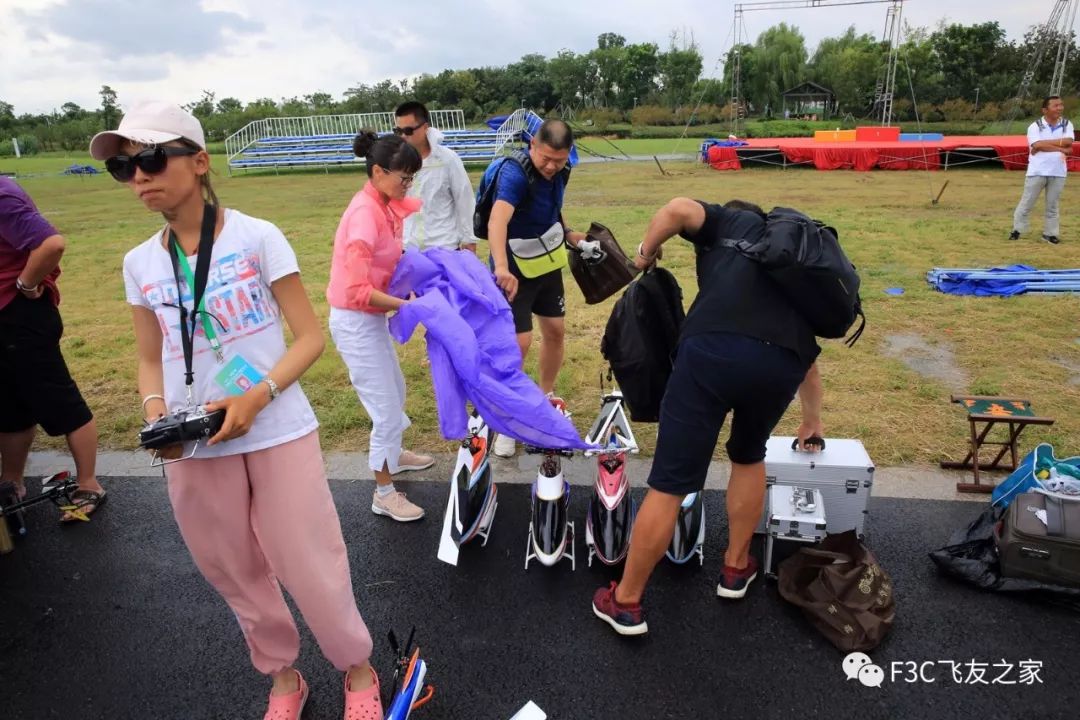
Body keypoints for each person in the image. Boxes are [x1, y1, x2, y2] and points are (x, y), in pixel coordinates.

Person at [94, 101, 384, 718]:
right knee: (232, 568)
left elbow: (308, 336)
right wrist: (156, 419)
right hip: (193, 444)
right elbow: (151, 360)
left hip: (276, 427)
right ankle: (283, 677)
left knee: (310, 561)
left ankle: (357, 669)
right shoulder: (139, 263)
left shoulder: (257, 236)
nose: (139, 175)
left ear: (199, 163)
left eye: (150, 158)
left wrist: (259, 396)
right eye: (125, 167)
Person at [591, 197, 825, 637]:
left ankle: (625, 601)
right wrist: (812, 420)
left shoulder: (726, 220)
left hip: (712, 353)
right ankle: (736, 569)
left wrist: (644, 253)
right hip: (782, 363)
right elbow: (809, 363)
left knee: (671, 483)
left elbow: (677, 209)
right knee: (748, 454)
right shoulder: (792, 255)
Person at [328, 130, 433, 523]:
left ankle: (394, 455)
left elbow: (394, 253)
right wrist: (408, 305)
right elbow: (357, 289)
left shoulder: (386, 203)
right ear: (377, 171)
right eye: (404, 178)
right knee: (385, 409)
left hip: (370, 319)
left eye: (411, 179)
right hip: (355, 321)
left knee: (398, 389)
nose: (408, 186)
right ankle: (384, 492)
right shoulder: (363, 215)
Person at [485, 119, 600, 457]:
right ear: (533, 144)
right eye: (546, 158)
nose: (551, 166)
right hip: (514, 268)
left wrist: (570, 234)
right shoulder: (514, 173)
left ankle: (544, 396)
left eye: (560, 160)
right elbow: (497, 220)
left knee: (555, 330)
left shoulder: (562, 171)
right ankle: (508, 417)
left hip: (546, 261)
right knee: (518, 343)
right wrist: (502, 268)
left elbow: (553, 206)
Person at [0, 177, 103, 521]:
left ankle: (89, 484)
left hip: (21, 316)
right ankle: (11, 482)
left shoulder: (1, 194)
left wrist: (25, 283)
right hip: (6, 319)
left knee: (59, 400)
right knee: (12, 407)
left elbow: (50, 243)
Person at [393, 100, 477, 252]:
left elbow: (464, 199)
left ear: (425, 127)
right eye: (398, 131)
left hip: (445, 248)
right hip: (408, 250)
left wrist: (469, 239)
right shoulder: (395, 162)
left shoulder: (448, 159)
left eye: (408, 130)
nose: (403, 136)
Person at [1010, 95, 1073, 244]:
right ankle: (1017, 230)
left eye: (1061, 105)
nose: (1060, 108)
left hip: (1058, 171)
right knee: (1027, 203)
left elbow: (1069, 143)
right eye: (1056, 106)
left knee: (1053, 205)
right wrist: (1060, 147)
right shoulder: (1035, 126)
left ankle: (1050, 234)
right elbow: (1036, 145)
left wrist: (1043, 144)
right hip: (1037, 171)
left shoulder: (1066, 124)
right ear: (1045, 110)